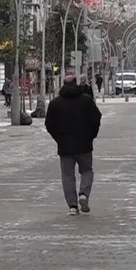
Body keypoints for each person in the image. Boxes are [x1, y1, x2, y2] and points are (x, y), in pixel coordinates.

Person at [45, 75, 103, 215]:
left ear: (63, 84)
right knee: (87, 171)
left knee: (67, 175)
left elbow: (49, 124)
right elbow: (96, 119)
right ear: (76, 83)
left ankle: (72, 205)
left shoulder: (55, 103)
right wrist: (91, 135)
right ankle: (83, 194)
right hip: (84, 144)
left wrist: (58, 138)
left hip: (65, 146)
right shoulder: (86, 101)